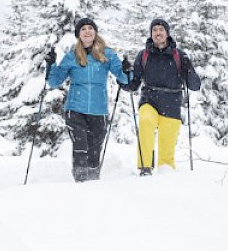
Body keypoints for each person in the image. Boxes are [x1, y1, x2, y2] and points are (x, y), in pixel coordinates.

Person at [45, 18, 129, 182]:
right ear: (79, 34)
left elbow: (124, 78)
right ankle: (81, 181)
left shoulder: (108, 54)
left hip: (99, 109)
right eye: (83, 29)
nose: (87, 31)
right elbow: (54, 81)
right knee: (80, 146)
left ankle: (92, 183)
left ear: (95, 32)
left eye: (90, 28)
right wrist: (51, 65)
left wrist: (126, 69)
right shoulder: (71, 56)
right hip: (76, 108)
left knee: (94, 150)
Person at [122, 18, 201, 176]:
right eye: (154, 30)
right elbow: (133, 85)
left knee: (167, 147)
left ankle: (166, 175)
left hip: (172, 103)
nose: (158, 33)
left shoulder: (179, 55)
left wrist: (189, 70)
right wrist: (125, 75)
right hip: (149, 100)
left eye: (161, 30)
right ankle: (145, 167)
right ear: (151, 34)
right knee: (145, 122)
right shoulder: (143, 55)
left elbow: (194, 85)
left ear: (167, 33)